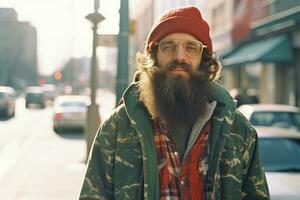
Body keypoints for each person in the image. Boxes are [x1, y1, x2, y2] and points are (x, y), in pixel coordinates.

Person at [79, 6, 269, 200]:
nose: (179, 56)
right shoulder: (117, 127)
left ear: (204, 60)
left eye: (191, 48)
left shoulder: (238, 130)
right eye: (168, 46)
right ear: (154, 57)